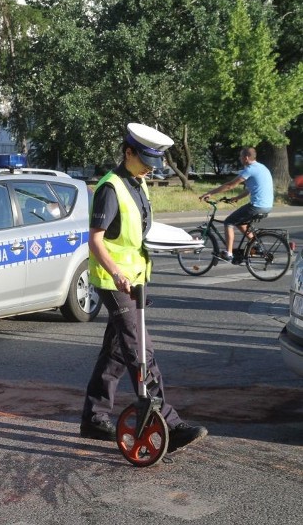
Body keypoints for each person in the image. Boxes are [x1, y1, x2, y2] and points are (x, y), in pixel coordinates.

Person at [80, 123, 208, 453]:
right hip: (116, 282)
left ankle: (94, 418)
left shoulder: (139, 183)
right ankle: (169, 422)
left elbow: (140, 232)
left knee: (116, 351)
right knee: (140, 350)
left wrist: (180, 243)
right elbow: (95, 240)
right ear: (128, 152)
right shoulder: (111, 188)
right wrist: (118, 274)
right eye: (147, 160)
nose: (153, 167)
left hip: (136, 280)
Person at [199, 147, 273, 263]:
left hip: (257, 206)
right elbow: (249, 189)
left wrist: (210, 193)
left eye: (240, 156)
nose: (239, 159)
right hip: (267, 206)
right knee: (240, 222)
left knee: (229, 221)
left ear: (246, 158)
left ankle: (229, 254)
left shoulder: (250, 169)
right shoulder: (262, 168)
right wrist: (237, 198)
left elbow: (230, 185)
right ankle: (256, 244)